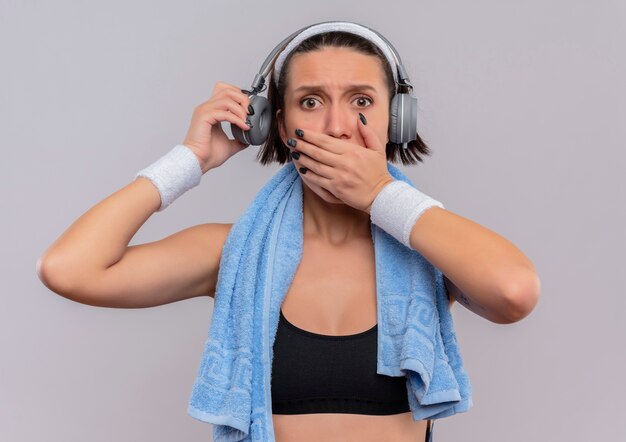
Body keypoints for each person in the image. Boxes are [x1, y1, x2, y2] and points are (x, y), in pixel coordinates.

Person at [36, 22, 540, 442]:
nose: (339, 126)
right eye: (312, 102)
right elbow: (69, 269)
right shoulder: (232, 251)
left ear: (396, 120)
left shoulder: (430, 247)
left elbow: (514, 292)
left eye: (362, 101)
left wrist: (382, 196)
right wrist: (190, 161)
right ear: (277, 126)